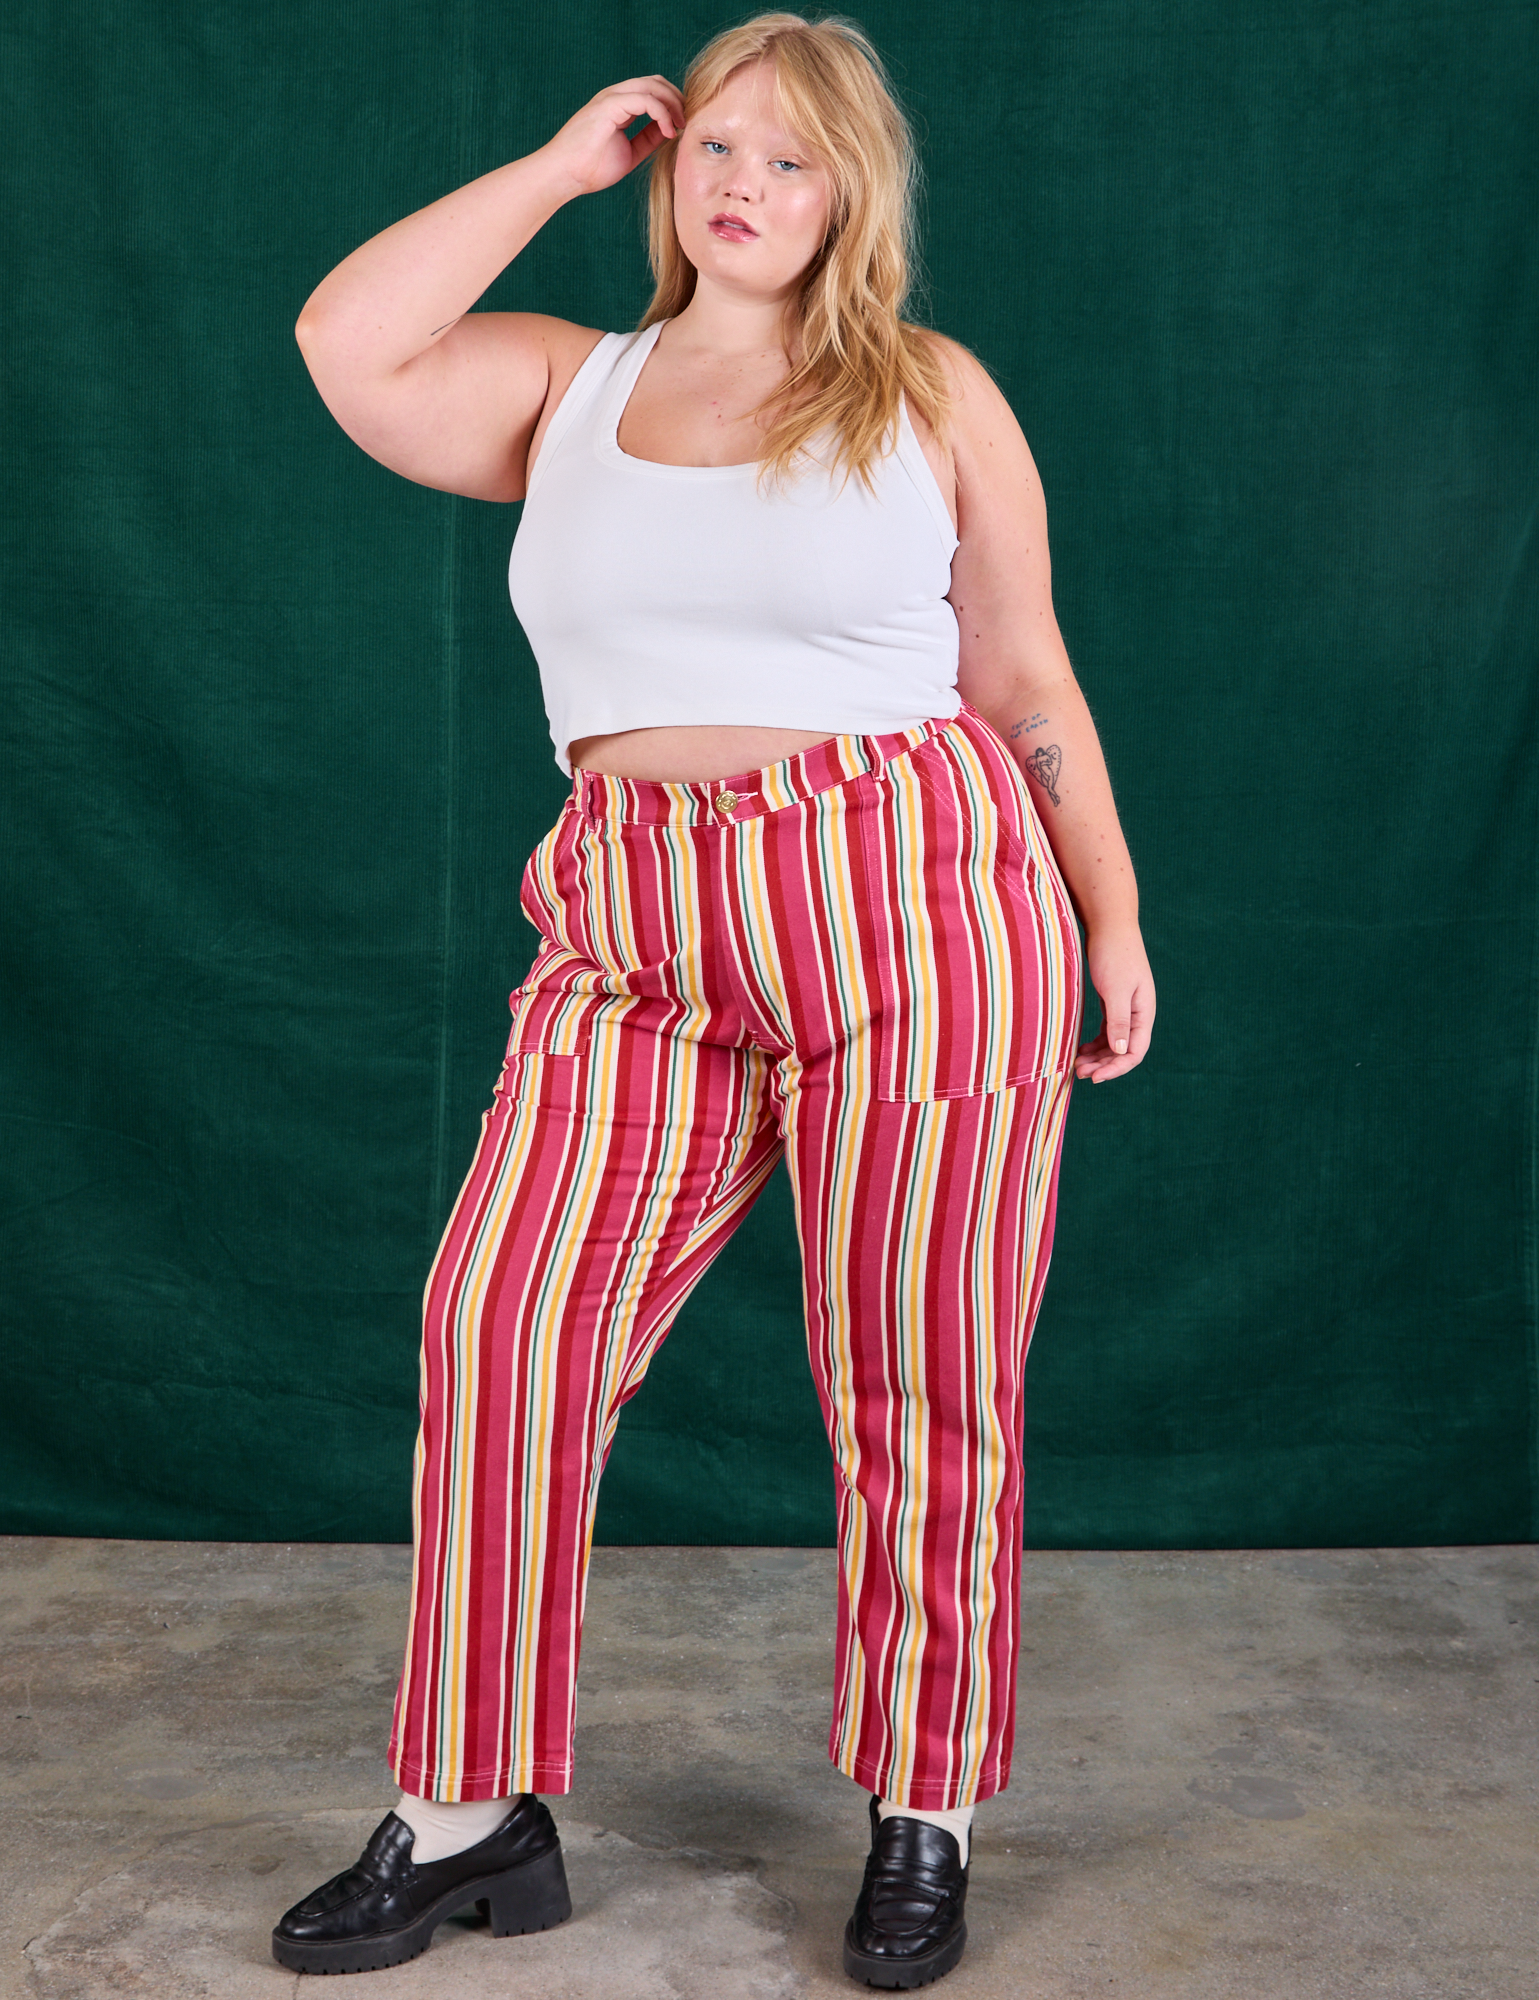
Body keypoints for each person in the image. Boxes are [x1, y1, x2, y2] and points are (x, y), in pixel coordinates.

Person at [272, 11, 1153, 1988]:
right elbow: (346, 342)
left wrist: (1108, 912)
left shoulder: (923, 392)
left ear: (852, 200)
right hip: (632, 923)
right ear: (668, 172)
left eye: (794, 162)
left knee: (920, 1376)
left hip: (914, 902)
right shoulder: (560, 389)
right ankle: (465, 1808)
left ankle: (921, 1809)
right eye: (716, 152)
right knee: (498, 1320)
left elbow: (1021, 682)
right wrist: (555, 166)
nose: (748, 186)